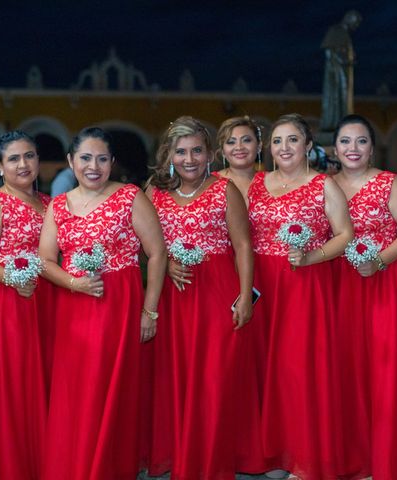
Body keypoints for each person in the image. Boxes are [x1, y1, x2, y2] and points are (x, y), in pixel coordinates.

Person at [38, 127, 166, 480]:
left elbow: (156, 254)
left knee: (111, 389)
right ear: (70, 161)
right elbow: (45, 259)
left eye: (101, 159)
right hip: (74, 308)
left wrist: (149, 310)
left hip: (118, 306)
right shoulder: (58, 206)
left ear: (112, 162)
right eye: (85, 158)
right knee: (75, 391)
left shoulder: (129, 196)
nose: (93, 166)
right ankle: (75, 465)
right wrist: (73, 282)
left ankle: (109, 467)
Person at [144, 116, 264, 479]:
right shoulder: (155, 193)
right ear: (169, 155)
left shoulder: (224, 191)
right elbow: (144, 247)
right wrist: (165, 268)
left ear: (210, 153)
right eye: (181, 151)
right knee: (177, 377)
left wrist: (245, 296)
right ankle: (181, 453)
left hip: (216, 292)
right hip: (174, 297)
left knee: (215, 378)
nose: (189, 158)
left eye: (197, 150)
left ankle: (212, 461)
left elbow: (243, 246)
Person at [247, 113, 353, 479]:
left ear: (308, 146)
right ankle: (276, 451)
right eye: (277, 141)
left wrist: (311, 256)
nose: (284, 147)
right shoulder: (256, 184)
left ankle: (305, 457)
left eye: (293, 140)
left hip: (305, 284)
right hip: (263, 284)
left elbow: (344, 235)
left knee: (299, 369)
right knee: (265, 368)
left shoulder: (323, 184)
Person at [332, 114, 397, 479]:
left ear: (373, 148)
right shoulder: (325, 184)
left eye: (361, 141)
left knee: (386, 369)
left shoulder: (389, 183)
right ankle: (354, 455)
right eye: (346, 141)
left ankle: (388, 456)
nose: (353, 149)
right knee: (347, 370)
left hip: (384, 282)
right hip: (341, 286)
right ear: (335, 148)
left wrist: (379, 260)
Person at [0, 131, 52, 479]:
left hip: (48, 301)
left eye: (29, 156)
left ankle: (46, 459)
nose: (24, 164)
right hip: (8, 304)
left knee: (45, 381)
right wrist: (14, 280)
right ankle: (14, 466)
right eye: (14, 159)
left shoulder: (51, 203)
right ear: (0, 166)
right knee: (14, 388)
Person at [215, 115, 263, 202]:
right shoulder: (210, 183)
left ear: (259, 146)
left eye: (246, 140)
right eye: (231, 142)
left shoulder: (272, 181)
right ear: (223, 151)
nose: (239, 147)